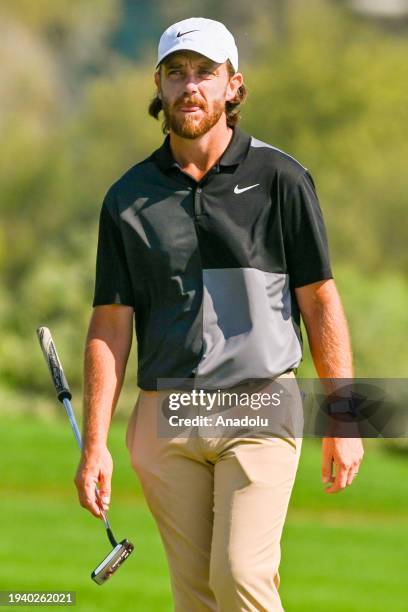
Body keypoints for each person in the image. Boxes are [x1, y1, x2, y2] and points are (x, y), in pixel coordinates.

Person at [75, 17, 364, 612]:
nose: (190, 87)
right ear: (158, 85)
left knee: (239, 576)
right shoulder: (127, 197)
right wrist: (95, 443)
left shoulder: (281, 178)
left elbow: (320, 299)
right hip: (166, 416)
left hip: (259, 404)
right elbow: (110, 321)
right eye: (176, 74)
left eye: (206, 73)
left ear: (234, 85)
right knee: (198, 598)